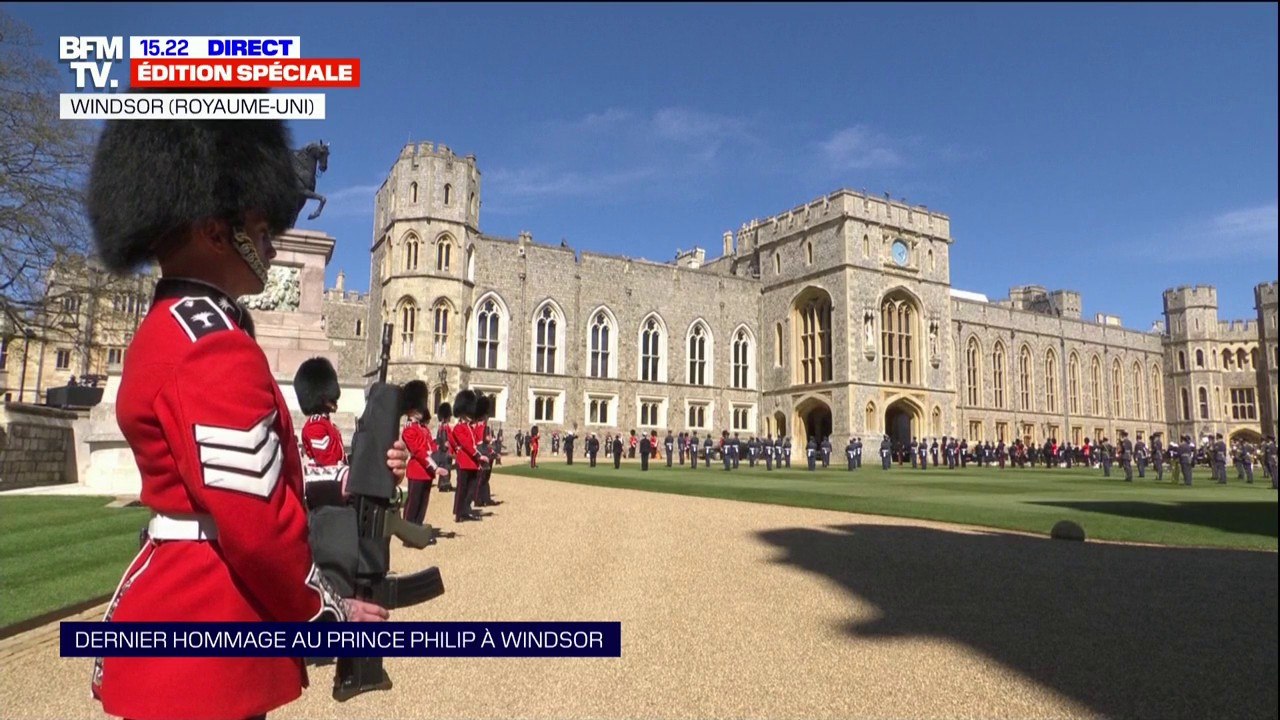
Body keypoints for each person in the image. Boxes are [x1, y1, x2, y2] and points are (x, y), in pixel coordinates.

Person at [86, 113, 398, 720]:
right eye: (261, 227)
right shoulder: (211, 346)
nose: (274, 245)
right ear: (214, 230)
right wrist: (325, 614)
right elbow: (255, 526)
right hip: (210, 630)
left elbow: (266, 476)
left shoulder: (179, 329)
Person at [401, 381, 448, 528]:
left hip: (427, 471)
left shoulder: (423, 429)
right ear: (411, 410)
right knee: (413, 503)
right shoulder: (409, 430)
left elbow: (431, 446)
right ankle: (408, 531)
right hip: (417, 470)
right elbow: (419, 452)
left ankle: (418, 528)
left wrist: (440, 452)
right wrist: (434, 467)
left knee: (423, 503)